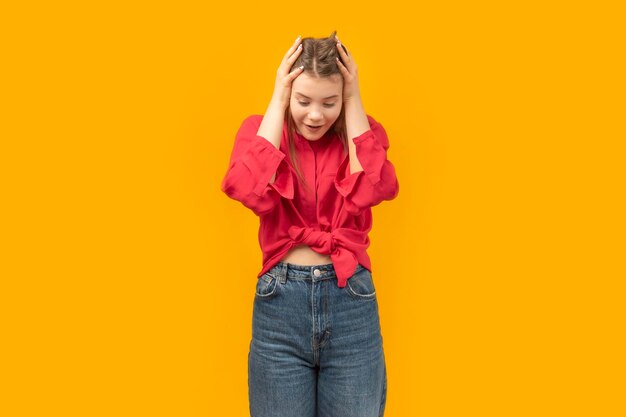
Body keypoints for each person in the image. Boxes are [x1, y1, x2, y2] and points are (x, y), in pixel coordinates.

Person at [220, 30, 399, 417]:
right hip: (280, 305)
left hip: (350, 300)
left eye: (329, 102)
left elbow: (373, 186)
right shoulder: (261, 131)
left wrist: (353, 102)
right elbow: (248, 189)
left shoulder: (362, 134)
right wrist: (278, 101)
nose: (315, 114)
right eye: (303, 101)